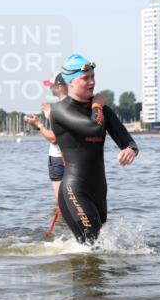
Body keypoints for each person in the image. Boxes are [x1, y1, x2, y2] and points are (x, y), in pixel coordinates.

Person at [49, 53, 138, 244]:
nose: (92, 82)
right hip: (74, 190)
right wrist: (97, 104)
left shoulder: (102, 110)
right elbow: (94, 127)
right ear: (70, 82)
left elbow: (128, 141)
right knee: (91, 243)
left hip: (99, 191)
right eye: (86, 78)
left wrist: (131, 149)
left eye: (93, 77)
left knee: (98, 248)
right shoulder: (60, 110)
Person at [25, 74, 67, 202]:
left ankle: (61, 215)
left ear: (59, 86)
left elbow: (54, 139)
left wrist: (38, 124)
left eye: (51, 85)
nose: (49, 88)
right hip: (70, 158)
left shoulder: (61, 108)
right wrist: (49, 116)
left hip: (59, 159)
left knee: (62, 203)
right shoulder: (72, 105)